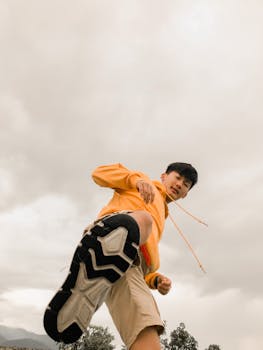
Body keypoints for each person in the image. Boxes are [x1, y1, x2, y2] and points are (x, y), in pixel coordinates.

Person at [44, 162, 198, 350]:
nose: (180, 184)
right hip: (112, 235)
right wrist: (136, 180)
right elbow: (99, 173)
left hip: (131, 266)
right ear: (164, 176)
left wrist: (155, 280)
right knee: (144, 220)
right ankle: (107, 244)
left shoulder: (162, 216)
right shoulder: (141, 182)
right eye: (178, 177)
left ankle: (96, 277)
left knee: (149, 331)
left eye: (186, 184)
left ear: (185, 194)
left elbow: (145, 265)